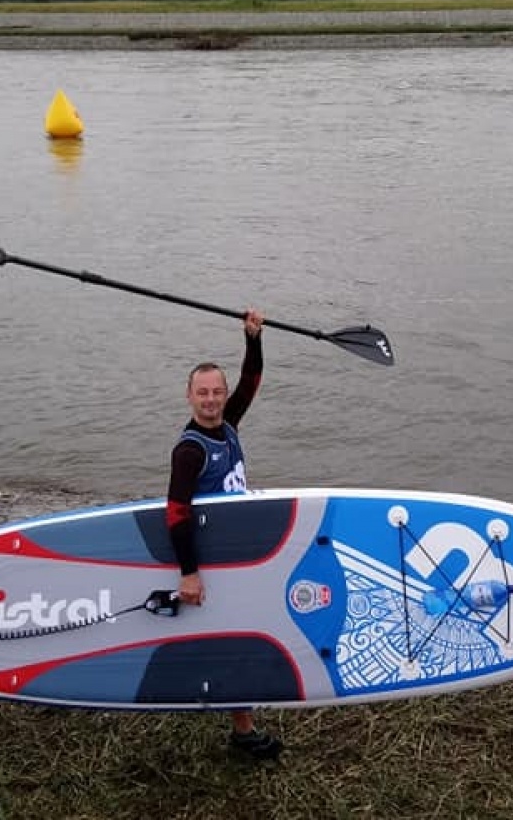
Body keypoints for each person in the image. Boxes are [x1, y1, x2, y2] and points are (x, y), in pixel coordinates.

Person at [165, 307, 284, 760]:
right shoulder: (190, 452)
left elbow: (251, 380)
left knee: (240, 634)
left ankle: (242, 722)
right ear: (189, 396)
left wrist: (252, 338)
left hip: (241, 552)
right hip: (215, 559)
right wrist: (190, 573)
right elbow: (175, 514)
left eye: (217, 392)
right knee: (233, 638)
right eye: (203, 393)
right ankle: (242, 729)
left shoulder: (229, 424)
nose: (211, 400)